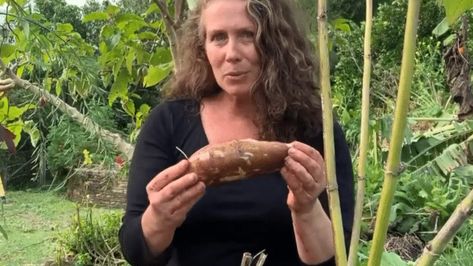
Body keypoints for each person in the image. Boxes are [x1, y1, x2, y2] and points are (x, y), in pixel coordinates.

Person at [118, 0, 355, 265]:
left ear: (275, 42)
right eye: (219, 37)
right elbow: (135, 250)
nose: (232, 53)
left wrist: (306, 208)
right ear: (202, 48)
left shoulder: (314, 127)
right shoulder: (169, 122)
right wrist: (159, 218)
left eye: (247, 35)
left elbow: (337, 256)